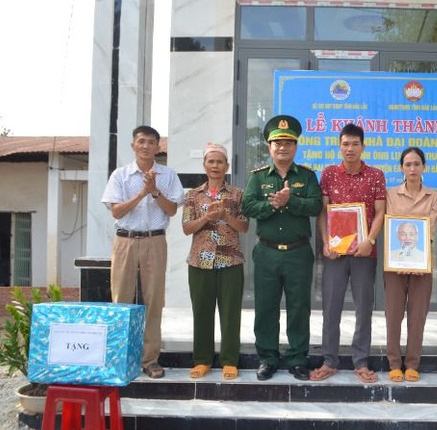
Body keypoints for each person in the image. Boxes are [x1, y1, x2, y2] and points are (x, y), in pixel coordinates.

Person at [242, 115, 322, 381]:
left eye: (288, 143)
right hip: (267, 252)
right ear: (269, 147)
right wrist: (273, 205)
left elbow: (315, 206)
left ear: (296, 147)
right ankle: (268, 358)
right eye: (277, 143)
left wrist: (291, 201)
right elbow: (247, 206)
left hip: (299, 253)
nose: (283, 148)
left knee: (299, 307)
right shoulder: (258, 178)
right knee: (266, 307)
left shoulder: (307, 176)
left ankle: (297, 358)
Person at [101, 125, 184, 379]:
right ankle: (120, 358)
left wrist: (155, 191)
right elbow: (116, 211)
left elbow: (172, 210)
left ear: (158, 147)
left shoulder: (168, 175)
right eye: (141, 141)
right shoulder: (121, 175)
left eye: (151, 142)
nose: (146, 146)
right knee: (122, 300)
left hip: (154, 240)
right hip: (125, 241)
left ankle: (150, 360)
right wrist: (142, 193)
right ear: (133, 145)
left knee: (154, 301)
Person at [310, 123, 386, 383]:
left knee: (363, 307)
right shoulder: (329, 174)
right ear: (339, 146)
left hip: (364, 253)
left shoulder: (375, 175)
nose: (350, 148)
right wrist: (325, 242)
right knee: (331, 306)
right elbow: (323, 212)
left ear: (363, 146)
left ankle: (361, 361)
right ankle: (329, 360)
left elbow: (380, 212)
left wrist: (370, 240)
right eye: (345, 144)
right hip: (336, 253)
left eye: (355, 144)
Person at [182, 143, 248, 380]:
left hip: (230, 261)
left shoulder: (238, 194)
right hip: (200, 262)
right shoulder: (192, 195)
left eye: (220, 161)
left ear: (226, 166)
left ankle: (229, 360)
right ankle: (202, 360)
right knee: (202, 312)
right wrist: (206, 218)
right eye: (211, 161)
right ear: (204, 165)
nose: (215, 165)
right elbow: (186, 228)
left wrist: (224, 215)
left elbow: (244, 226)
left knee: (230, 313)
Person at [384, 147, 437, 383]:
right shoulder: (390, 194)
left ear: (424, 166)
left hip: (422, 263)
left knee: (418, 315)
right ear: (401, 168)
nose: (412, 168)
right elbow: (389, 227)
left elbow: (430, 229)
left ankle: (413, 364)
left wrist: (414, 259)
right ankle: (394, 363)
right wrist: (401, 259)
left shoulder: (433, 196)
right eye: (408, 164)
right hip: (394, 263)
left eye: (417, 164)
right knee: (393, 314)